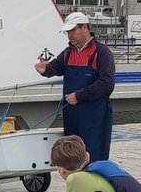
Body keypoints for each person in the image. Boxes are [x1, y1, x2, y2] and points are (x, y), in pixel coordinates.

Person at [34, 12, 115, 162]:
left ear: (84, 27)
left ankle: (95, 184)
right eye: (67, 32)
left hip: (94, 114)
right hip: (71, 113)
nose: (70, 35)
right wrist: (44, 69)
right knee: (72, 154)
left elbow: (107, 83)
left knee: (94, 155)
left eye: (73, 31)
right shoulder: (68, 53)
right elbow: (54, 68)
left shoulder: (102, 52)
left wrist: (79, 95)